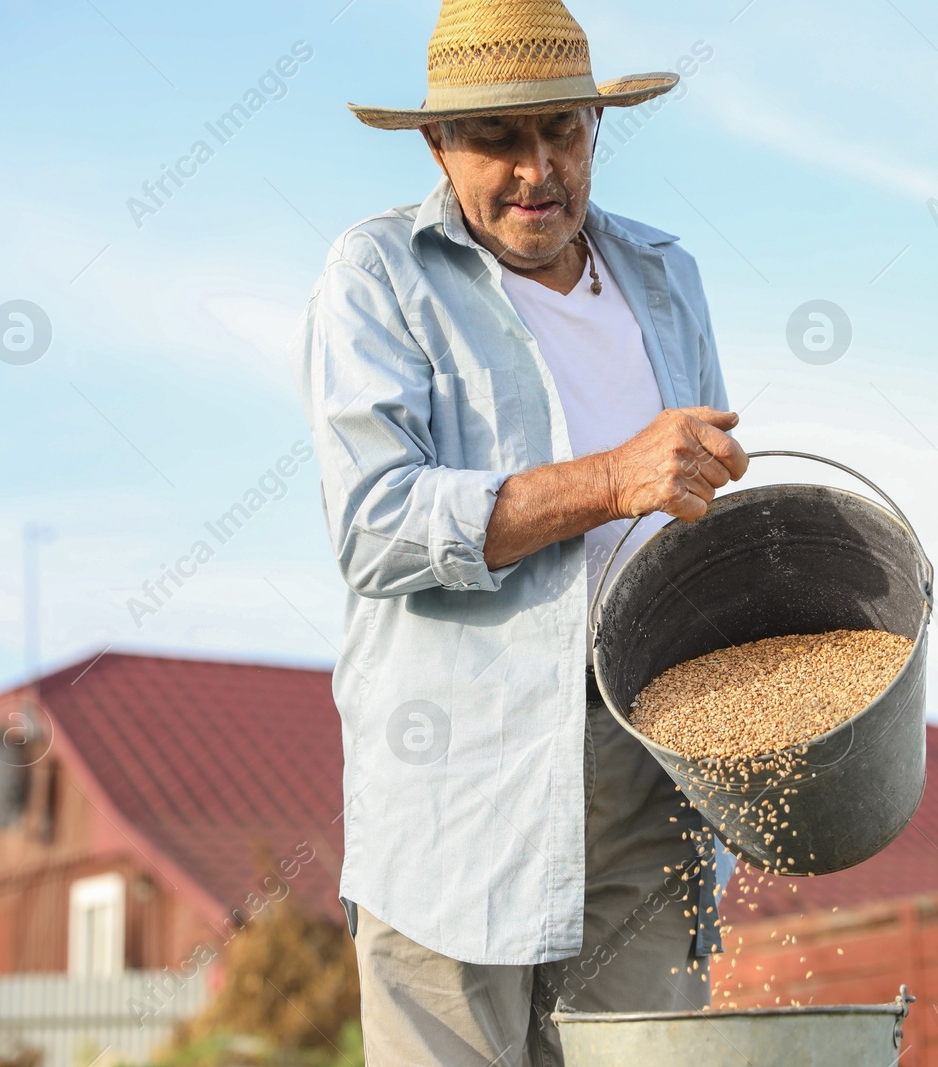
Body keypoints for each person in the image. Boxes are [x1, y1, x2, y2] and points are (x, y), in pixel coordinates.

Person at [293, 1, 746, 1062]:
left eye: (564, 130)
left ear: (597, 123)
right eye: (498, 138)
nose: (537, 168)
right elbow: (374, 524)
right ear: (436, 143)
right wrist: (608, 479)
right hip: (461, 787)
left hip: (646, 772)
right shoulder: (379, 276)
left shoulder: (665, 278)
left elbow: (694, 503)